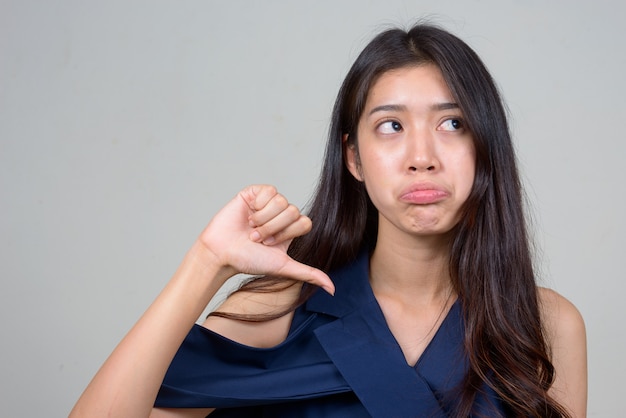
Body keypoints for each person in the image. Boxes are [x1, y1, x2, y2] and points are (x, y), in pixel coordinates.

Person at [70, 23, 587, 417]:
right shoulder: (276, 311)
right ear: (354, 158)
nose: (422, 155)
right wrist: (206, 263)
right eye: (391, 125)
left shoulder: (545, 323)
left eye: (453, 123)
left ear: (485, 149)